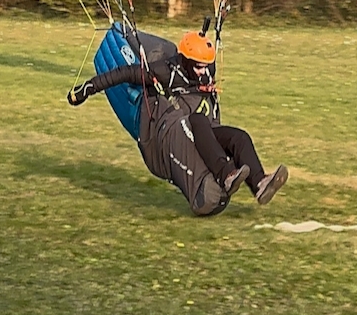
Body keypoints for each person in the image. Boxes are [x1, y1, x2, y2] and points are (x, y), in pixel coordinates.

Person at [68, 28, 288, 213]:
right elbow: (124, 74)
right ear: (185, 61)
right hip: (169, 137)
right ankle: (227, 174)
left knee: (239, 137)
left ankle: (260, 183)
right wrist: (88, 88)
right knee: (197, 120)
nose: (205, 71)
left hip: (203, 129)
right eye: (199, 66)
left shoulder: (206, 69)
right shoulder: (165, 71)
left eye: (206, 65)